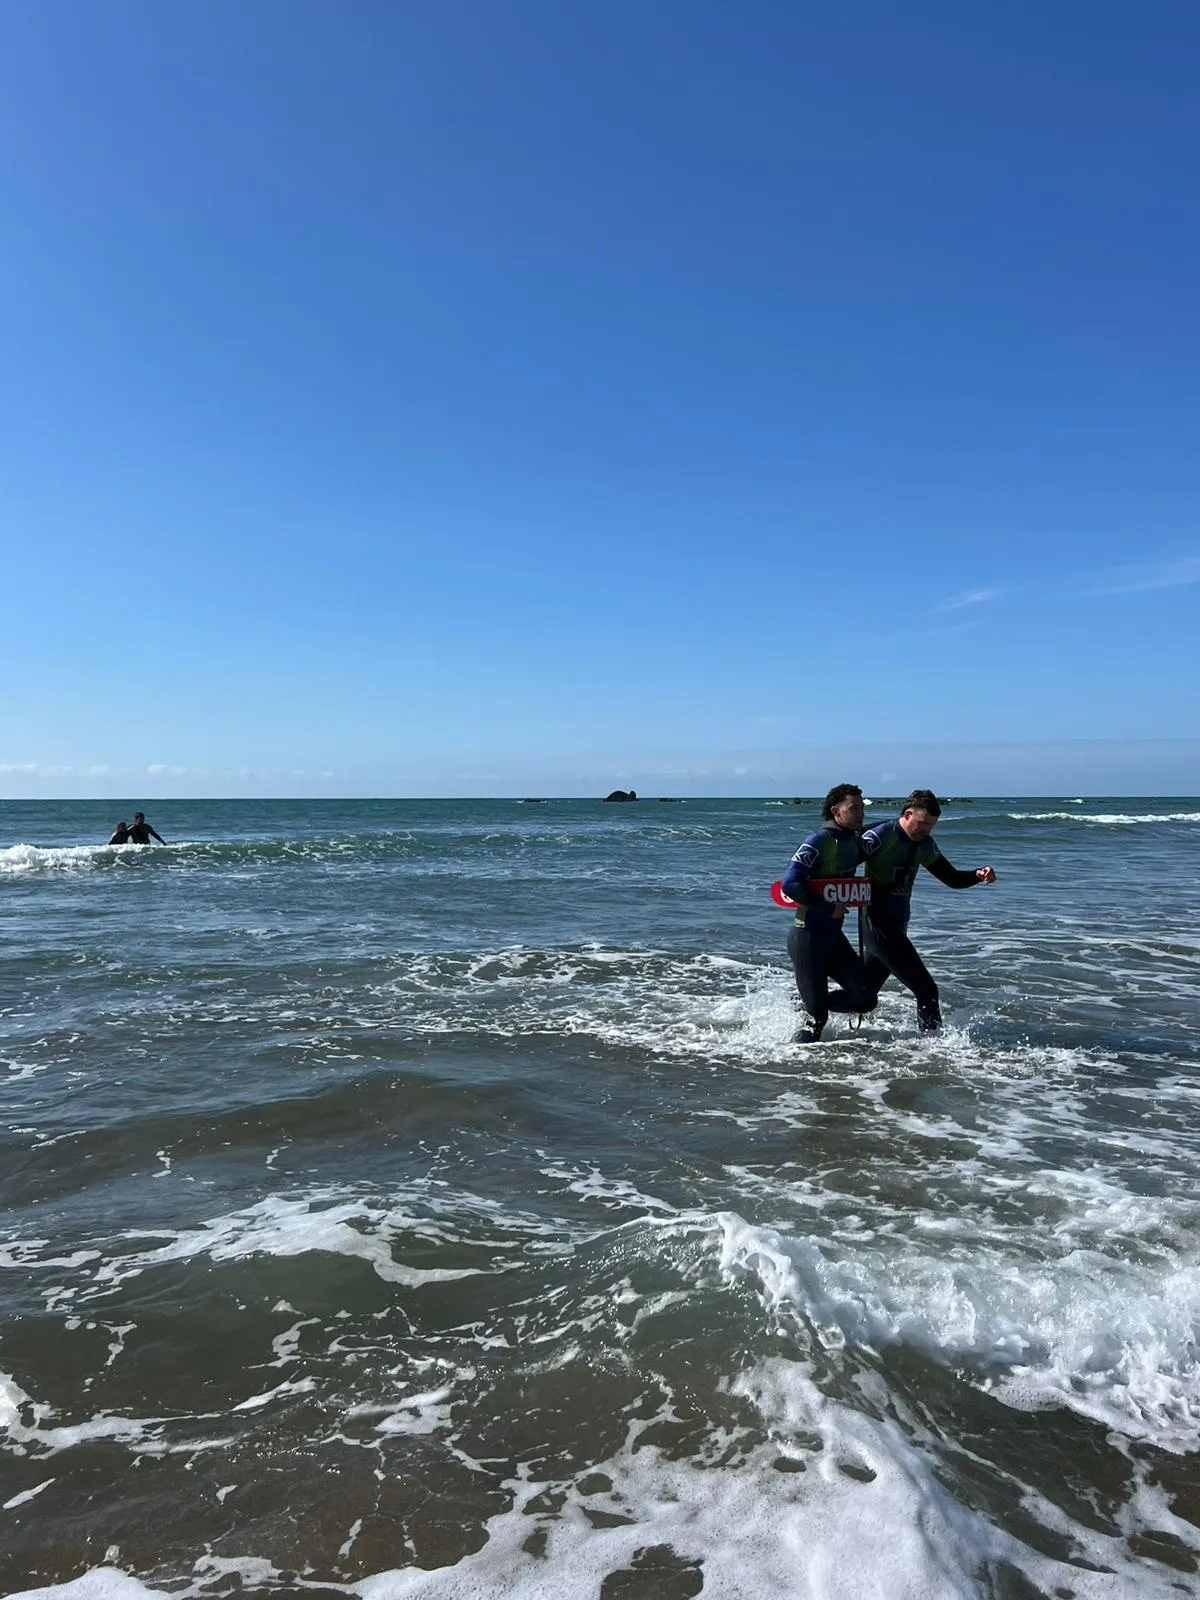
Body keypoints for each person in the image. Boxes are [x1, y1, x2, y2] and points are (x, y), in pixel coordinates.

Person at [859, 789, 996, 1032]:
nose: (926, 831)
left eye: (931, 826)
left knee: (864, 995)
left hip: (899, 922)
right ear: (908, 814)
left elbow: (951, 878)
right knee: (926, 989)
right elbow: (840, 863)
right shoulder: (879, 836)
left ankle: (810, 1010)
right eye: (922, 824)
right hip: (877, 924)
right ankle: (935, 1047)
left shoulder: (924, 844)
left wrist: (977, 875)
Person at [781, 783, 876, 1043]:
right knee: (816, 1023)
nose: (860, 814)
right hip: (807, 937)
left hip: (833, 938)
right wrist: (828, 907)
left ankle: (810, 1004)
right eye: (853, 809)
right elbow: (789, 883)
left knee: (865, 998)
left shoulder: (852, 842)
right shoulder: (818, 840)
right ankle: (798, 1070)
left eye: (861, 808)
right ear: (836, 811)